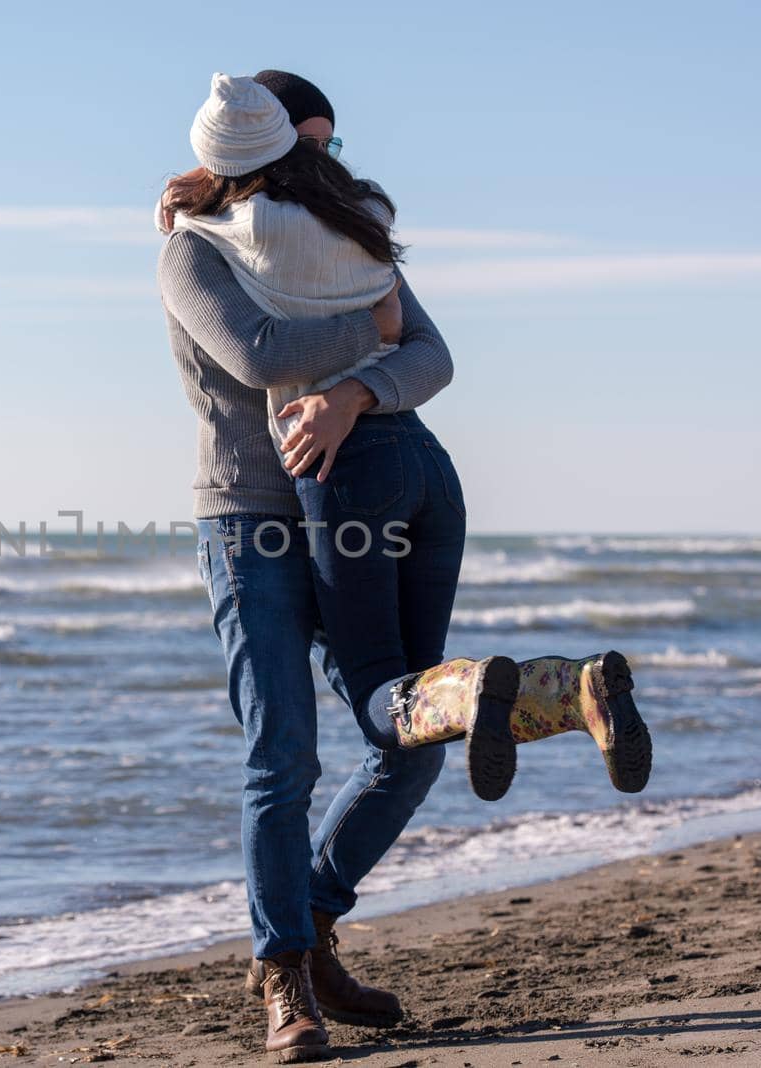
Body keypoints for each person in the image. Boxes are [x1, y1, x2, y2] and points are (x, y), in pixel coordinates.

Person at [156, 71, 650, 1063]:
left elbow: (427, 351)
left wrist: (357, 396)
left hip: (347, 499)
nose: (327, 166)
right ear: (259, 153)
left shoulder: (339, 238)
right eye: (312, 147)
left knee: (406, 734)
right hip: (252, 523)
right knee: (283, 753)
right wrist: (365, 341)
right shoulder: (190, 252)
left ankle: (315, 921)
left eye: (333, 149)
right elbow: (259, 354)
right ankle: (284, 979)